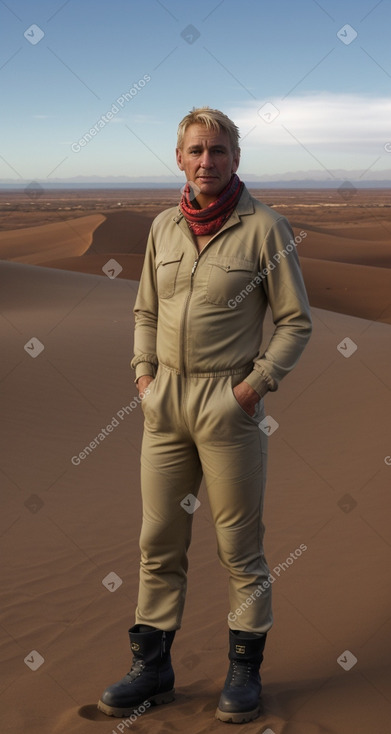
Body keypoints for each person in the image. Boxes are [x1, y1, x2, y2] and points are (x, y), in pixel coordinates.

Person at [98, 107, 312, 724]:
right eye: (196, 150)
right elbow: (143, 310)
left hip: (229, 407)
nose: (207, 161)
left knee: (239, 549)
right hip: (164, 406)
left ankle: (244, 671)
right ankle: (151, 666)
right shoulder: (164, 227)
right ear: (179, 158)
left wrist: (252, 388)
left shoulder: (266, 228)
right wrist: (144, 377)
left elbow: (295, 322)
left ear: (236, 159)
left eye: (219, 151)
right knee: (157, 542)